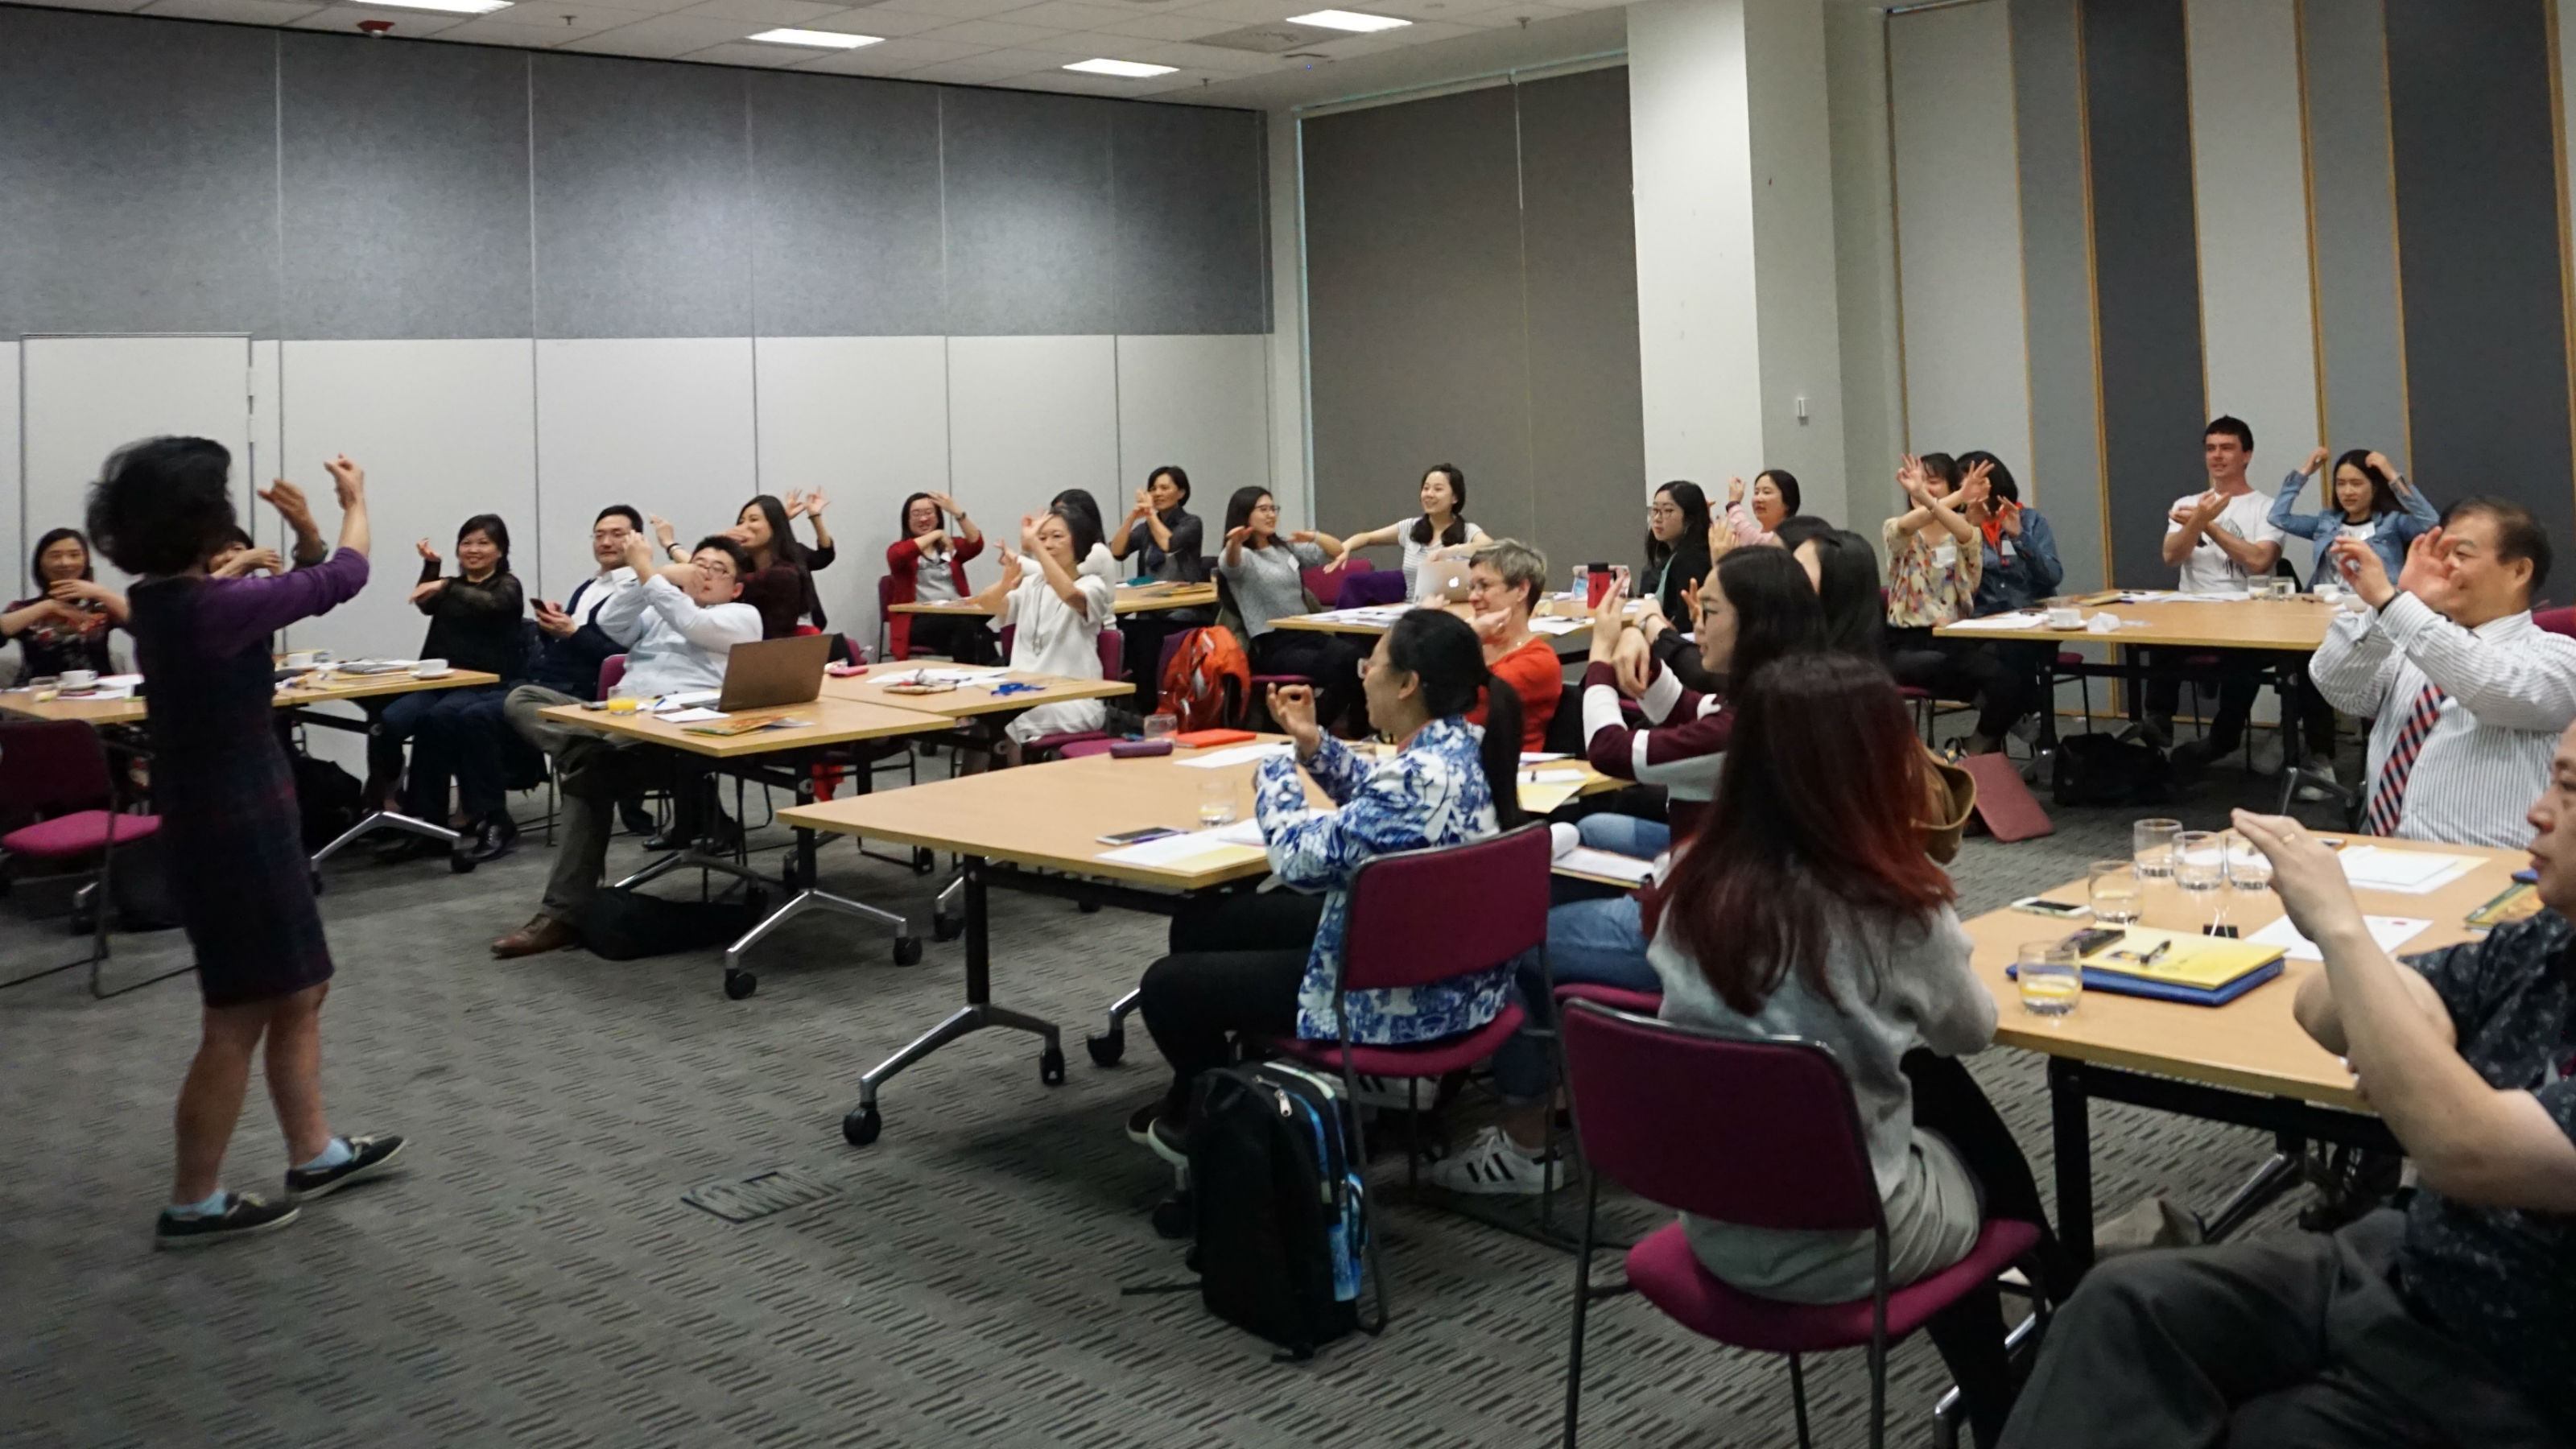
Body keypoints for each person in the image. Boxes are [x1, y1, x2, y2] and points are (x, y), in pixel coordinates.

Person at [2000, 790, 2576, 1447]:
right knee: (2121, 1306)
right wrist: (2410, 1025)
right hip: (2407, 1265)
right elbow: (2319, 1001)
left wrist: (2340, 928)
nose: (2538, 809)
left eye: (2572, 790)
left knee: (2259, 1430)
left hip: (2515, 1361)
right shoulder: (2548, 942)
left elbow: (2466, 1149)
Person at [1649, 652, 2058, 1447]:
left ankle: (2020, 1356)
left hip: (1715, 1220)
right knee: (1950, 1119)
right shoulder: (1890, 902)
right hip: (1847, 1243)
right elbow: (1970, 1030)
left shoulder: (1689, 885)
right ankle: (2025, 1365)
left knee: (1901, 1083)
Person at [88, 439, 402, 1247]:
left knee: (300, 988)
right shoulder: (211, 609)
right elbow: (345, 576)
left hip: (231, 813)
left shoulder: (163, 598)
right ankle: (193, 1200)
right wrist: (353, 502)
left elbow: (260, 587)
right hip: (235, 824)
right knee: (233, 1017)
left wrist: (290, 544)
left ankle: (314, 1151)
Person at [1430, 555, 1825, 1196]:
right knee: (1585, 839)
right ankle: (1562, 1073)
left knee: (1513, 943)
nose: (1696, 622)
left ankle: (1526, 1145)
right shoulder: (1779, 691)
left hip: (1711, 929)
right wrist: (1647, 665)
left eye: (1712, 611)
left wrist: (1604, 661)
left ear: (1756, 624)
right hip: (1744, 889)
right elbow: (1687, 709)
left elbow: (1612, 753)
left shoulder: (1748, 726)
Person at [1125, 609, 1525, 1162]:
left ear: (1408, 684)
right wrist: (1315, 746)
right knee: (1207, 923)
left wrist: (1277, 776)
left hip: (1392, 999)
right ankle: (1201, 1096)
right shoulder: (1459, 749)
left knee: (1167, 986)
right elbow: (1383, 801)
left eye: (1374, 664)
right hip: (1437, 962)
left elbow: (1296, 861)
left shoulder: (1416, 776)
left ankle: (1223, 1127)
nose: (1363, 674)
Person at [490, 533, 763, 959]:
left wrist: (648, 572)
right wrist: (654, 577)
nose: (704, 574)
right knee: (523, 699)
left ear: (737, 587)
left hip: (674, 734)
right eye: (700, 564)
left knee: (587, 778)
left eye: (718, 570)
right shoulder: (659, 609)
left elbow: (693, 624)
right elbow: (611, 623)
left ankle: (561, 915)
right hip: (617, 717)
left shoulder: (742, 617)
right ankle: (589, 754)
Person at [2311, 498, 2576, 849]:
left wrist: (2395, 604)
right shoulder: (2411, 638)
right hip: (2382, 854)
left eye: (2461, 555)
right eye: (2439, 552)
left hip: (2493, 870)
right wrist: (2399, 602)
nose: (2445, 566)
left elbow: (2486, 685)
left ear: (2519, 572)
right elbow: (2335, 684)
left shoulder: (2559, 656)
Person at [371, 514, 526, 862]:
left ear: (500, 551)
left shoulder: (506, 585)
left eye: (483, 543)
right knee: (390, 719)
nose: (473, 550)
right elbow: (426, 603)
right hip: (440, 681)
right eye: (467, 542)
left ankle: (484, 819)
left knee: (438, 720)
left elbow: (492, 604)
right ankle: (423, 822)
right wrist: (432, 567)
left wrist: (444, 585)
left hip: (486, 682)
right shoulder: (451, 585)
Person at [2148, 416, 2287, 762]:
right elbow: (2171, 555)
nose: (2217, 456)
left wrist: (2205, 523)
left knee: (2245, 657)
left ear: (2247, 455)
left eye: (2227, 448)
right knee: (2157, 635)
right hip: (2194, 613)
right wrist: (2195, 520)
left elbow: (2259, 561)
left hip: (2247, 615)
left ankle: (2223, 739)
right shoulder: (2187, 502)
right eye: (2211, 448)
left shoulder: (2267, 508)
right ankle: (2158, 721)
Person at [1883, 453, 2032, 755]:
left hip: (1955, 640)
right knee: (1993, 680)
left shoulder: (1966, 533)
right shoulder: (1899, 529)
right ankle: (1981, 744)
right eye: (1918, 482)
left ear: (1952, 488)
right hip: (1909, 645)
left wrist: (1949, 499)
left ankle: (1972, 750)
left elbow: (1965, 532)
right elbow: (1906, 526)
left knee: (2015, 676)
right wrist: (1937, 497)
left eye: (1932, 481)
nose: (1921, 488)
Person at [1212, 485, 1364, 733]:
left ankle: (1351, 732)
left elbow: (1336, 551)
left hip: (1308, 635)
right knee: (1347, 665)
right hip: (1274, 644)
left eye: (1273, 508)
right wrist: (1234, 543)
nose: (1271, 515)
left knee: (1362, 662)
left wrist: (1314, 536)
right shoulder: (1245, 556)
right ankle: (1308, 731)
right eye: (1263, 509)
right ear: (1245, 514)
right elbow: (1229, 564)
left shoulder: (1284, 549)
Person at [968, 506, 1114, 758]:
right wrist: (1005, 583)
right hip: (1023, 692)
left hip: (1074, 700)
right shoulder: (1032, 584)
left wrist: (1033, 545)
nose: (1047, 544)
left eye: (1057, 537)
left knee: (1009, 721)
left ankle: (1015, 794)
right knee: (984, 715)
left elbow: (1069, 594)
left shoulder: (1093, 585)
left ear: (1078, 542)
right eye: (1043, 537)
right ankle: (970, 790)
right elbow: (988, 604)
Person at [1327, 463, 1488, 603]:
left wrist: (1451, 551)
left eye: (1438, 489)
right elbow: (1367, 537)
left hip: (1451, 610)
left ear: (1455, 498)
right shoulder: (1411, 527)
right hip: (1413, 608)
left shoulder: (1467, 530)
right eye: (1426, 488)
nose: (1429, 494)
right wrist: (1345, 547)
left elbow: (1494, 548)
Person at [1112, 466, 1212, 688]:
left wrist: (1149, 516)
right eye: (1153, 489)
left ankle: (1152, 698)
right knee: (1119, 630)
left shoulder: (1192, 523)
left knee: (1147, 641)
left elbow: (1169, 544)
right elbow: (1116, 551)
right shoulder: (1147, 527)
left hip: (1183, 609)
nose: (1157, 493)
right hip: (1150, 608)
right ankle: (1141, 698)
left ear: (1181, 493)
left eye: (1165, 488)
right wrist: (1132, 517)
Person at [1459, 538, 1559, 752]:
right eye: (1471, 587)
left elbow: (1460, 702)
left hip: (1505, 774)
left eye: (1483, 586)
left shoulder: (1539, 661)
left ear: (1522, 590)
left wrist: (1466, 638)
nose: (1473, 597)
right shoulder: (1477, 647)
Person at [4, 528, 126, 685]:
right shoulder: (24, 608)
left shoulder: (100, 606)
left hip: (98, 695)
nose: (65, 563)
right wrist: (47, 607)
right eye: (55, 556)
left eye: (74, 555)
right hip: (38, 696)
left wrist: (102, 593)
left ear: (86, 561)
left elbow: (144, 625)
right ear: (40, 563)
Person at [883, 490, 993, 664]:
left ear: (938, 516)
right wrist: (936, 534)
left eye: (929, 513)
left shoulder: (949, 546)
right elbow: (900, 555)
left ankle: (988, 672)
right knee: (969, 627)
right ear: (907, 520)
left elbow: (976, 544)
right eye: (916, 514)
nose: (924, 519)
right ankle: (977, 672)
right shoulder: (898, 550)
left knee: (978, 628)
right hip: (918, 620)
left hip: (958, 614)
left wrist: (958, 513)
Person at [1641, 481, 1714, 623]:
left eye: (1668, 511)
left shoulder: (1689, 560)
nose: (1657, 519)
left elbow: (1685, 623)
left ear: (1689, 518)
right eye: (1655, 510)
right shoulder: (1672, 557)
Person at [780, 488, 838, 633]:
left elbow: (824, 556)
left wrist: (815, 516)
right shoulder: (750, 559)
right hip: (777, 629)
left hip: (809, 624)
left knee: (848, 647)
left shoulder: (794, 551)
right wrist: (781, 520)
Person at [1715, 468, 1802, 551]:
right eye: (1756, 492)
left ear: (1787, 502)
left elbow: (1749, 536)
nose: (1758, 499)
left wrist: (1734, 503)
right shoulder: (1754, 535)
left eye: (1767, 492)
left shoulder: (1790, 538)